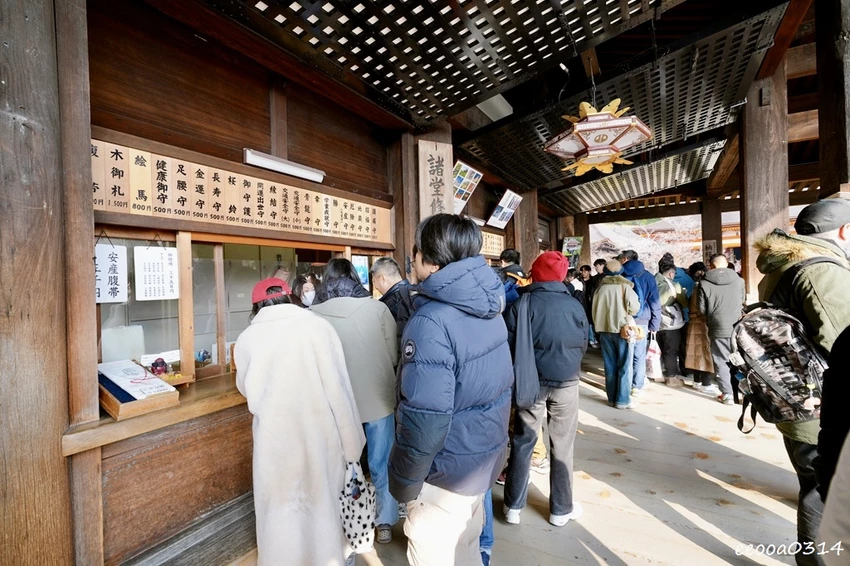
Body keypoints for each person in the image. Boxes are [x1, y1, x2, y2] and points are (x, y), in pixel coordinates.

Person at [389, 214, 512, 566]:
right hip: (479, 462)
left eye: (415, 252)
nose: (411, 260)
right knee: (467, 551)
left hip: (443, 475)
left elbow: (425, 419)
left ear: (431, 261)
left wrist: (403, 484)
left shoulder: (431, 321)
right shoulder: (488, 306)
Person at [235, 278, 365, 566]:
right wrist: (353, 449)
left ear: (256, 306)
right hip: (320, 438)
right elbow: (340, 392)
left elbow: (245, 389)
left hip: (274, 442)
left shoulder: (246, 339)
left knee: (280, 514)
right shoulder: (318, 328)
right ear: (289, 298)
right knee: (324, 511)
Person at [755, 198, 850, 566]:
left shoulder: (780, 267)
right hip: (818, 403)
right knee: (824, 490)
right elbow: (842, 340)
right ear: (844, 231)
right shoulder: (822, 271)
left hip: (790, 393)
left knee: (814, 480)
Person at [311, 259, 400, 545]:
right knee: (381, 463)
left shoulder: (311, 315)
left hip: (333, 407)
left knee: (339, 467)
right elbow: (394, 355)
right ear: (355, 279)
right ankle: (383, 521)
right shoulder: (378, 308)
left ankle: (341, 524)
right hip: (378, 401)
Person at [503, 251, 588, 527]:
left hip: (531, 383)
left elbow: (510, 345)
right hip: (566, 383)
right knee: (563, 445)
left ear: (535, 273)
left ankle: (513, 506)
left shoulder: (522, 304)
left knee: (523, 440)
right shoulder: (574, 305)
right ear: (562, 275)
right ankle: (560, 510)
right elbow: (583, 343)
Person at [697, 254, 745, 405]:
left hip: (717, 326)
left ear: (711, 265)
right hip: (738, 326)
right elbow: (742, 301)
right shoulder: (739, 281)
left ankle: (728, 394)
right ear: (727, 263)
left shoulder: (703, 284)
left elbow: (701, 308)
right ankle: (745, 392)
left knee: (721, 360)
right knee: (740, 359)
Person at [592, 260, 640, 409]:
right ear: (620, 272)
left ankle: (611, 398)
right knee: (625, 365)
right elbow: (635, 309)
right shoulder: (625, 287)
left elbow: (593, 310)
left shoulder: (600, 288)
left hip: (604, 330)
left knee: (610, 365)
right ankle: (622, 400)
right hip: (622, 330)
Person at [619, 250, 661, 396]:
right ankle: (637, 386)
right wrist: (655, 324)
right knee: (639, 354)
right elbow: (654, 301)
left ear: (625, 259)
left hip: (624, 319)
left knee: (625, 354)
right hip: (642, 319)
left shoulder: (620, 275)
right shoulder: (648, 276)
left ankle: (625, 384)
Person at [655, 261, 688, 385]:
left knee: (656, 348)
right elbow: (684, 302)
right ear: (670, 273)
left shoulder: (652, 282)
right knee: (671, 350)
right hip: (670, 322)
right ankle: (671, 376)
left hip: (654, 322)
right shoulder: (674, 285)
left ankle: (656, 373)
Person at [684, 262, 715, 392]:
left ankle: (697, 381)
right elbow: (704, 309)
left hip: (693, 322)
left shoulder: (695, 288)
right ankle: (706, 383)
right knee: (705, 352)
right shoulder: (705, 287)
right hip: (703, 323)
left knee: (695, 352)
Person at [370, 256, 415, 344]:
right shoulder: (414, 292)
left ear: (382, 278)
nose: (375, 286)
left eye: (374, 281)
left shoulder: (389, 304)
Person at [584, 258, 608, 348]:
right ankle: (595, 339)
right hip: (594, 302)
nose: (596, 268)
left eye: (597, 266)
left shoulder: (607, 277)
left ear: (602, 265)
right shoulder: (595, 278)